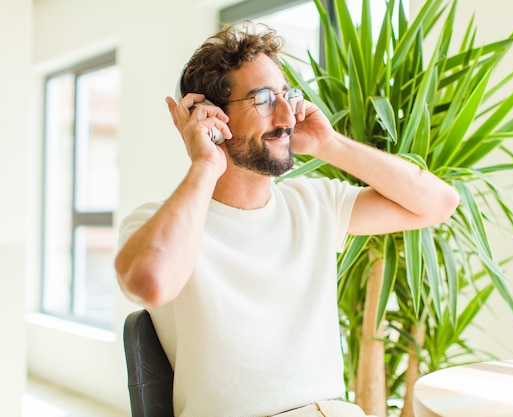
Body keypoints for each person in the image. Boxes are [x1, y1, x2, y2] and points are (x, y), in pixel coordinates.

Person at [115, 21, 459, 417]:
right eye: (263, 99)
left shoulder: (313, 204)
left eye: (286, 95)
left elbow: (438, 204)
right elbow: (150, 283)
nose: (286, 114)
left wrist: (329, 144)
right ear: (213, 119)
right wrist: (205, 164)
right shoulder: (159, 224)